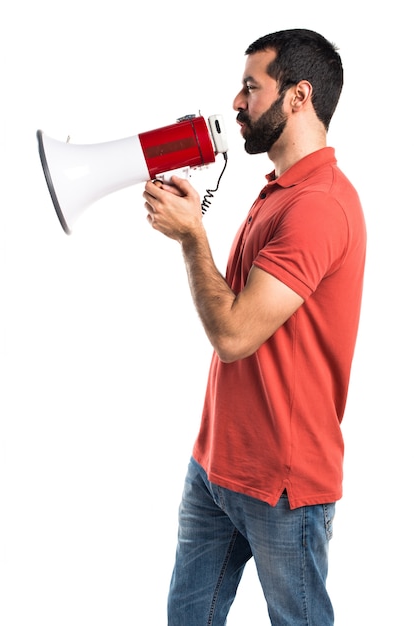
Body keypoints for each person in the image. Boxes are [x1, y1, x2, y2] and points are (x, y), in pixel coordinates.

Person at [143, 28, 366, 626]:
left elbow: (235, 334)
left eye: (251, 87)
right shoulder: (278, 192)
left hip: (282, 485)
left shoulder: (319, 204)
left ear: (299, 96)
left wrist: (192, 235)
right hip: (217, 464)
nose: (237, 103)